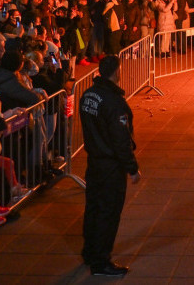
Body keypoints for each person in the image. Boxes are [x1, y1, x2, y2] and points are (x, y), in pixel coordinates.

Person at [79, 54, 140, 277]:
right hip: (110, 166)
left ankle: (89, 251)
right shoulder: (114, 102)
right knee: (108, 212)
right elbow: (120, 139)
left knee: (93, 207)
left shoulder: (88, 95)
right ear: (116, 72)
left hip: (94, 161)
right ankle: (100, 261)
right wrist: (132, 167)